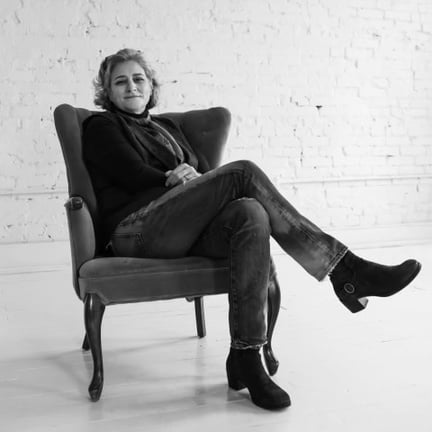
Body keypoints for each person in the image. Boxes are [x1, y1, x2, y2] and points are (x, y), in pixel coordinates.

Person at [83, 48, 421, 410]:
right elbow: (132, 174)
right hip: (135, 232)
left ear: (151, 86)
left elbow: (202, 177)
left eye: (139, 79)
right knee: (242, 172)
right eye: (121, 81)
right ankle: (346, 271)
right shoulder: (101, 126)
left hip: (182, 227)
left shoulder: (168, 128)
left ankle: (245, 355)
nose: (131, 86)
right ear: (107, 91)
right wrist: (179, 180)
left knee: (250, 211)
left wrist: (195, 181)